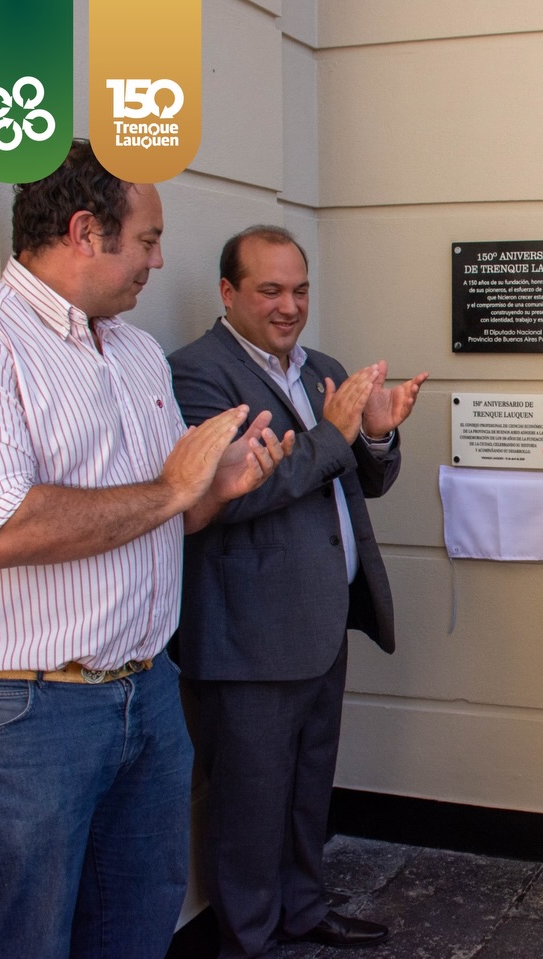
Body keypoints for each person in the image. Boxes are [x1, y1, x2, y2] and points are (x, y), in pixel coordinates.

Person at [0, 140, 292, 959]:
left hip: (146, 692)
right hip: (21, 713)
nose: (158, 260)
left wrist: (213, 489)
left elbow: (160, 515)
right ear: (83, 231)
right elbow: (3, 526)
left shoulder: (134, 352)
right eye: (147, 240)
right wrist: (174, 488)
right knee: (25, 940)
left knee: (135, 931)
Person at [169, 225, 427, 957]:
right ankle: (249, 938)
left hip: (320, 619)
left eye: (300, 290)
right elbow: (229, 496)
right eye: (270, 291)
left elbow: (361, 479)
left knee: (309, 784)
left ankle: (303, 907)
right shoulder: (196, 375)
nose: (290, 306)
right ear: (229, 293)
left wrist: (375, 436)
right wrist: (335, 435)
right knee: (249, 801)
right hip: (248, 633)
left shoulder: (323, 370)